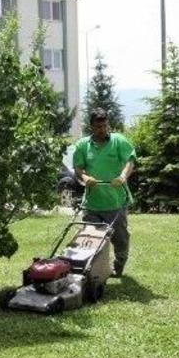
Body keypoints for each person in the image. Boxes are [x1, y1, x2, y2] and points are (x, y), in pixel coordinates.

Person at [72, 108, 136, 277]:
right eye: (98, 127)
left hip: (116, 201)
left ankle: (118, 267)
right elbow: (78, 168)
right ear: (91, 126)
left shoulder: (118, 141)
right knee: (89, 238)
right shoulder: (83, 145)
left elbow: (130, 160)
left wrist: (122, 176)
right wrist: (85, 178)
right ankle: (88, 270)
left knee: (120, 239)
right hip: (92, 202)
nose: (102, 130)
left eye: (105, 126)